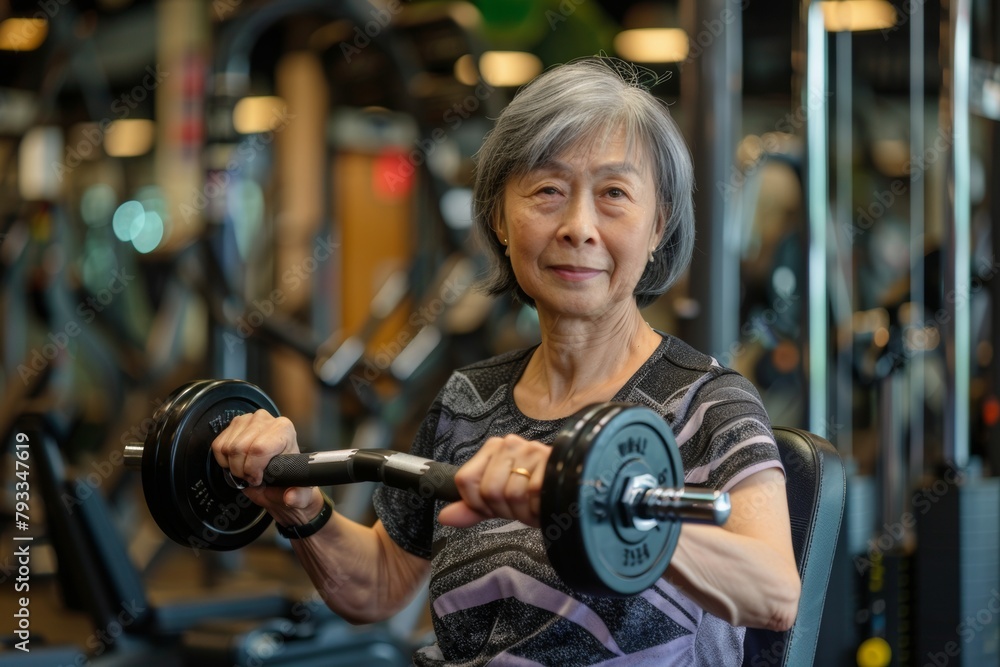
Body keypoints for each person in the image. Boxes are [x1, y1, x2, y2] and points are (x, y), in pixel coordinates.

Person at [211, 56, 800, 666]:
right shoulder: (471, 399)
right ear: (498, 216)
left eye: (614, 194)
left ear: (658, 227)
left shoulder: (705, 402)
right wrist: (300, 507)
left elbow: (775, 595)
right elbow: (382, 582)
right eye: (548, 190)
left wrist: (601, 507)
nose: (579, 226)